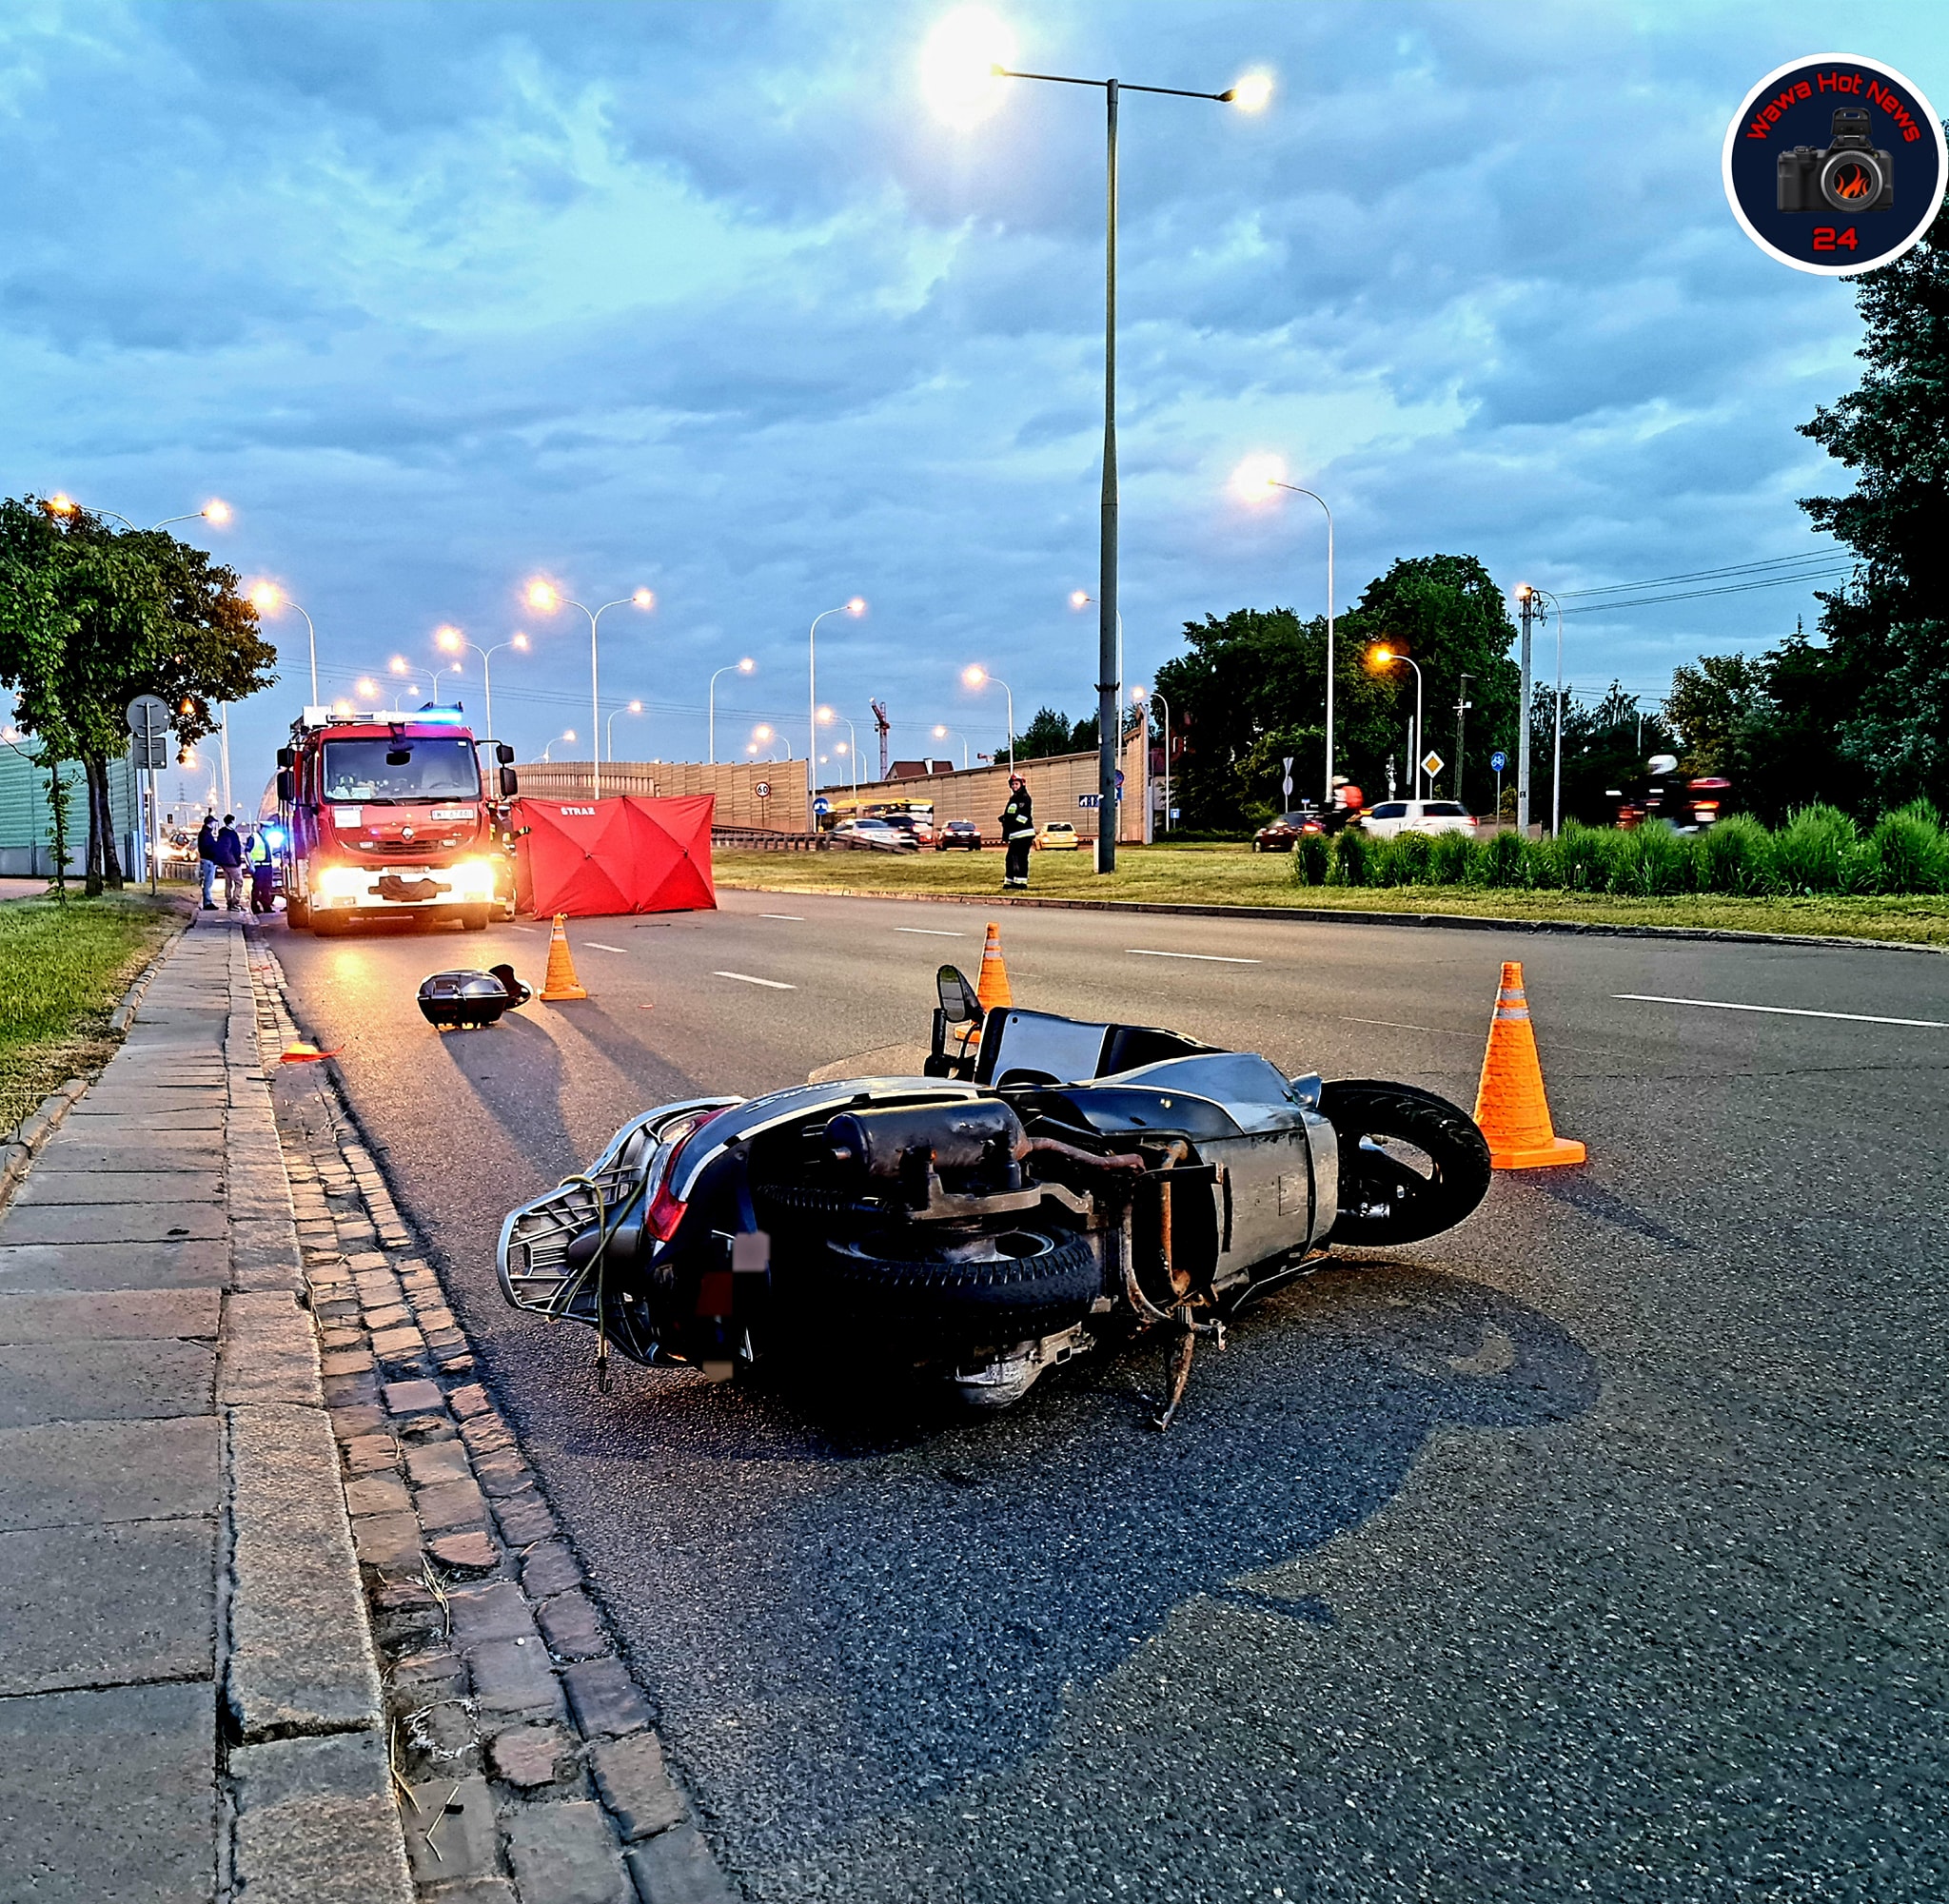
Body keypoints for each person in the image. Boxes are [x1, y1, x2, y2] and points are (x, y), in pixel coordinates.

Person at [999, 775, 1035, 889]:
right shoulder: (1013, 799)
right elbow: (1010, 814)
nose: (1014, 786)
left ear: (1022, 784)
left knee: (1021, 858)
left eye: (1016, 784)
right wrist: (1004, 818)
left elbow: (1023, 817)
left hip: (1024, 834)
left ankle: (1021, 882)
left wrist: (1010, 820)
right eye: (1013, 784)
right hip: (1014, 835)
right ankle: (1010, 881)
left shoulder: (1024, 798)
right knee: (1010, 858)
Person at [214, 814, 246, 912]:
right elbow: (233, 849)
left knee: (228, 883)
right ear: (232, 822)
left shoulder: (222, 833)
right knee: (239, 882)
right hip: (232, 862)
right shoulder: (232, 834)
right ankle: (235, 903)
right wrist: (236, 861)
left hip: (224, 863)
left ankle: (229, 901)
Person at [195, 814, 219, 909]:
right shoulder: (206, 834)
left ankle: (208, 902)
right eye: (214, 823)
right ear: (211, 823)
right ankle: (207, 903)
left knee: (208, 883)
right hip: (208, 861)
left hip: (208, 860)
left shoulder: (205, 833)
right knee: (208, 883)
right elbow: (209, 848)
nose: (214, 825)